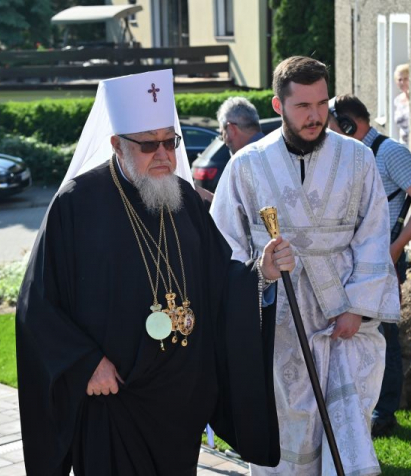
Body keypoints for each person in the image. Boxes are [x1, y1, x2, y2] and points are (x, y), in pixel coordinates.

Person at [16, 69, 296, 476]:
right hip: (113, 401)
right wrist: (84, 363)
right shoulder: (76, 205)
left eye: (170, 141)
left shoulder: (182, 197)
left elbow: (217, 280)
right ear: (117, 145)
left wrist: (260, 273)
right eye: (149, 145)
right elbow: (36, 305)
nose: (164, 155)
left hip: (179, 401)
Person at [211, 56, 400, 475]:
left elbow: (373, 234)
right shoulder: (246, 164)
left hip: (344, 323)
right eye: (303, 106)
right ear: (278, 107)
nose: (316, 116)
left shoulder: (358, 159)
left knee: (345, 427)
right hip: (277, 322)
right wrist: (261, 271)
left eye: (322, 103)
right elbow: (222, 247)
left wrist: (358, 307)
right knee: (288, 426)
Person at [328, 93, 411, 436]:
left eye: (333, 125)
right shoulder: (347, 154)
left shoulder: (390, 153)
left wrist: (396, 247)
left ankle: (384, 412)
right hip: (353, 257)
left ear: (348, 124)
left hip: (384, 257)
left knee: (383, 332)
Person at [393, 64, 410, 146]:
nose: (402, 82)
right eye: (399, 80)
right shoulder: (397, 100)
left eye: (406, 79)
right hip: (403, 144)